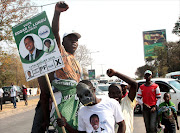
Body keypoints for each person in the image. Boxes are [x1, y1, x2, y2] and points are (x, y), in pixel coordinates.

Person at [31, 1, 82, 133]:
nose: (74, 41)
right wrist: (57, 13)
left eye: (76, 39)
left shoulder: (77, 63)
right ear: (62, 42)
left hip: (72, 106)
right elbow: (54, 33)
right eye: (70, 39)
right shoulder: (61, 54)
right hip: (53, 103)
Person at [57, 80, 126, 133]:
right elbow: (82, 132)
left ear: (94, 90)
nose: (84, 98)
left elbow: (122, 125)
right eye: (80, 96)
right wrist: (66, 125)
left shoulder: (111, 103)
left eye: (87, 94)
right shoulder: (82, 110)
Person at [106, 69, 138, 133]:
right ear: (109, 95)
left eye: (118, 92)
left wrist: (115, 73)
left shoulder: (127, 102)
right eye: (112, 93)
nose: (115, 95)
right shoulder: (105, 107)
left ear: (122, 93)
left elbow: (134, 84)